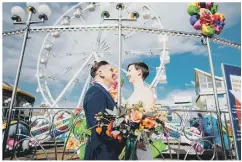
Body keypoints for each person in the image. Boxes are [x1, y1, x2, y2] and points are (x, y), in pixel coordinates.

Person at [83, 61, 124, 160]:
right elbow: (99, 125)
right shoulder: (96, 91)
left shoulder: (101, 91)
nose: (115, 73)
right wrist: (120, 140)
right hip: (102, 153)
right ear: (100, 73)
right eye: (111, 70)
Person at [126, 61, 155, 160]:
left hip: (140, 144)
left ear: (139, 72)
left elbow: (150, 120)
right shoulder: (131, 96)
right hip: (131, 143)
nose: (127, 74)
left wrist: (139, 141)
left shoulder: (147, 93)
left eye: (129, 70)